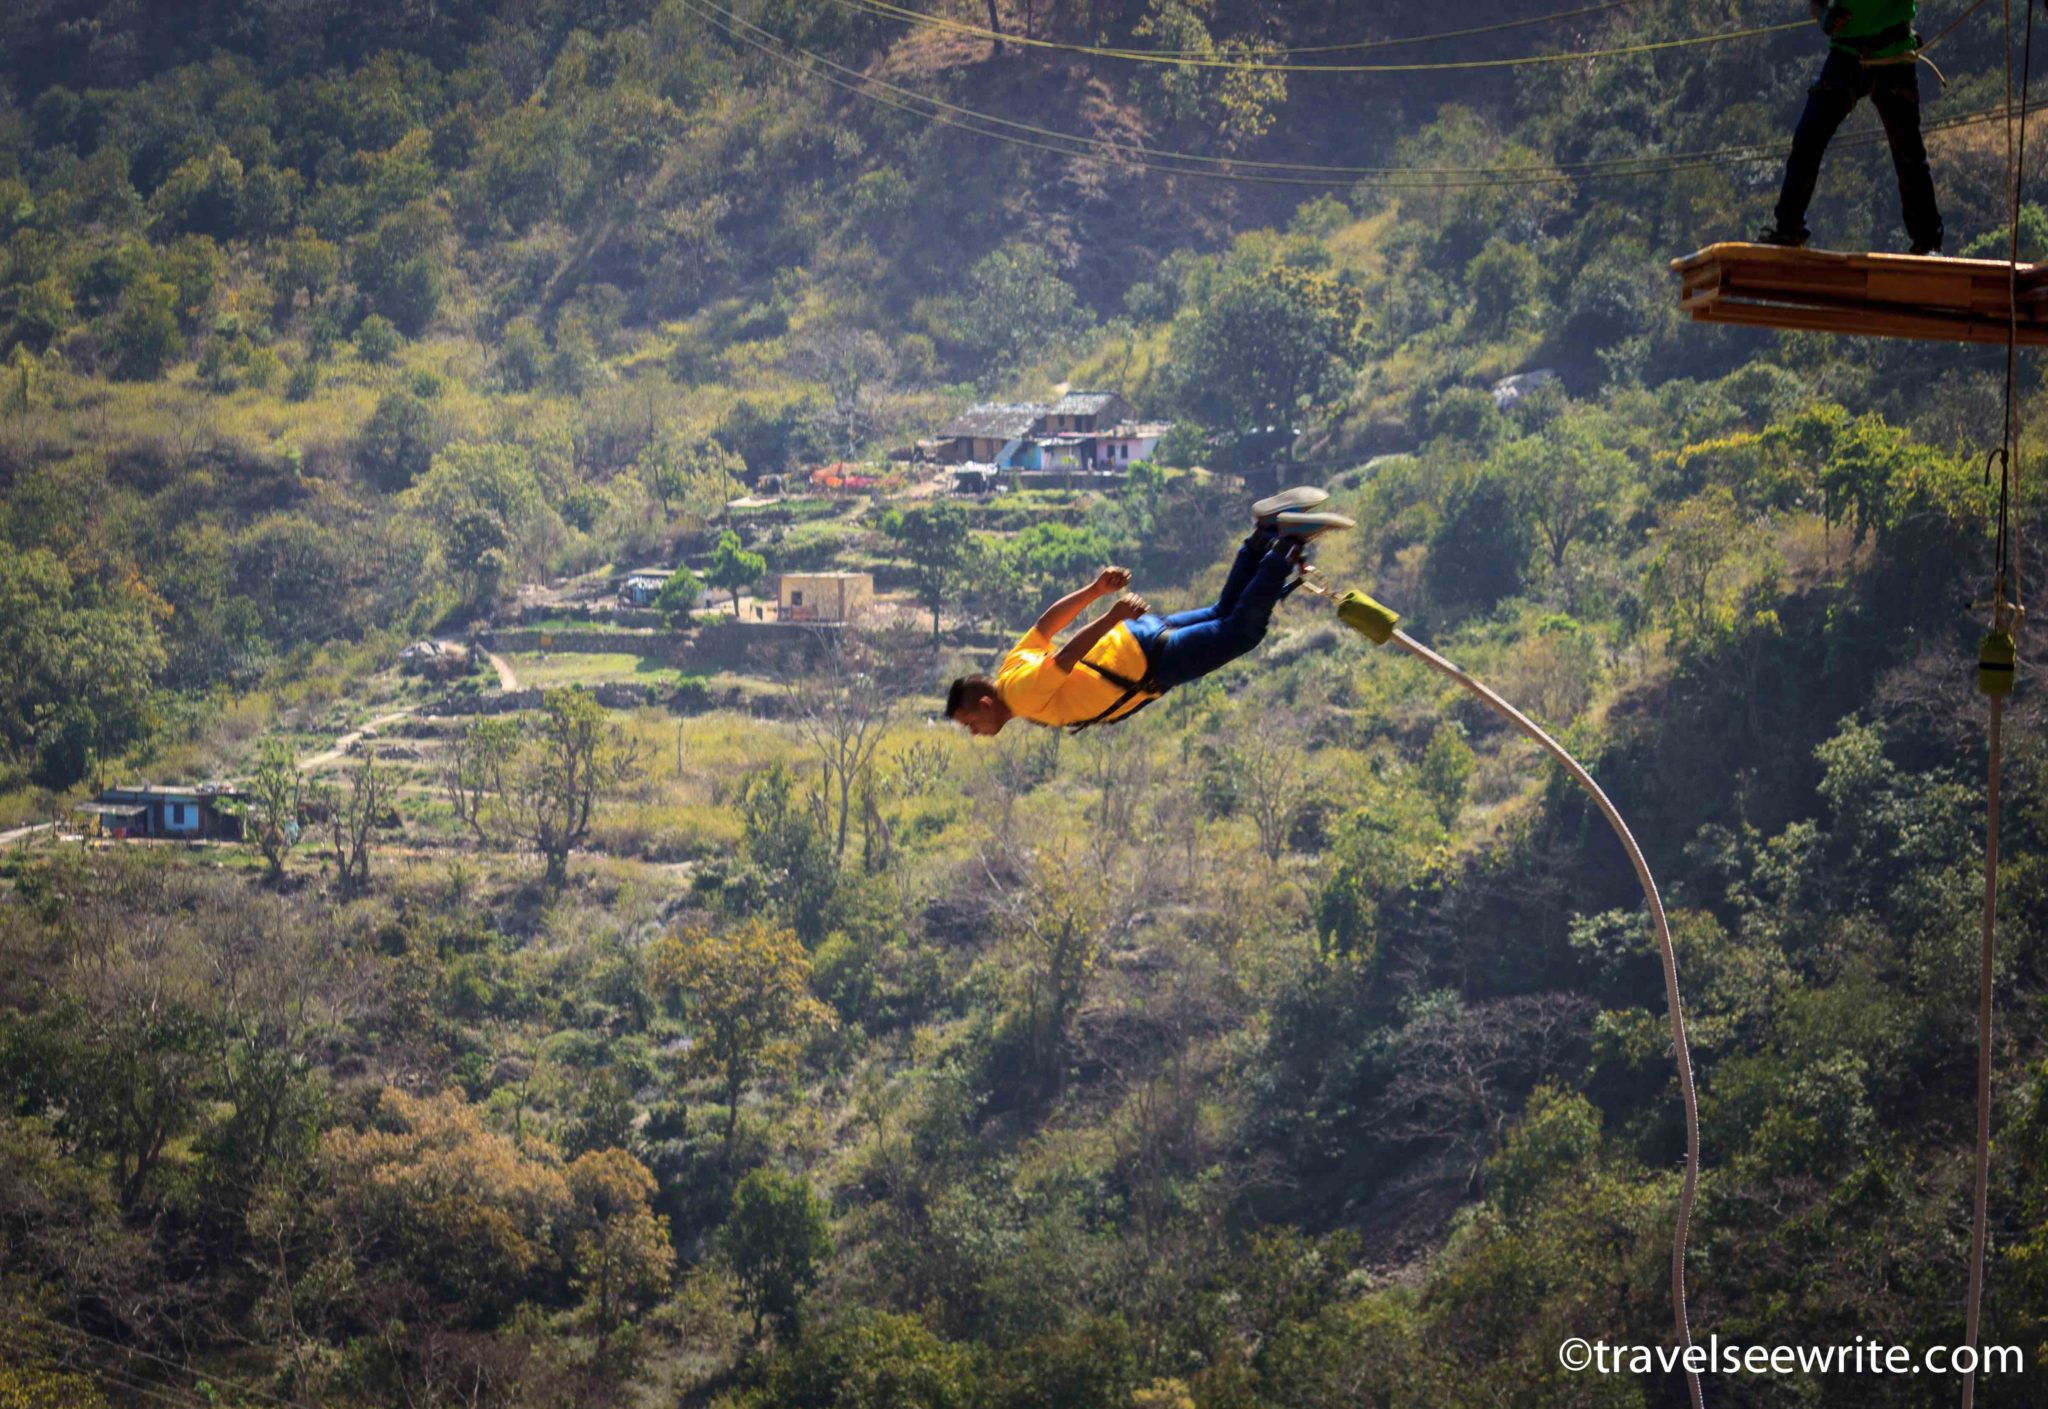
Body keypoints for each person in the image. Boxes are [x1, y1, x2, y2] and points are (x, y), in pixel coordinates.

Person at [945, 488, 1353, 735]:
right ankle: (1263, 533)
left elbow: (1065, 658)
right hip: (1136, 642)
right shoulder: (1009, 670)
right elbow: (1045, 626)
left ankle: (1284, 545)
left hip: (1144, 661)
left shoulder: (1020, 695)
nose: (975, 733)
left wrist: (1110, 615)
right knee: (1226, 610)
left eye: (971, 725)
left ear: (984, 706)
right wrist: (1095, 591)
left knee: (1241, 632)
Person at [1756, 0, 1943, 254]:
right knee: (1808, 137)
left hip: (1893, 53)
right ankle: (1789, 228)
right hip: (1847, 54)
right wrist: (1824, 16)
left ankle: (1927, 242)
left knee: (1907, 149)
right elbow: (1816, 3)